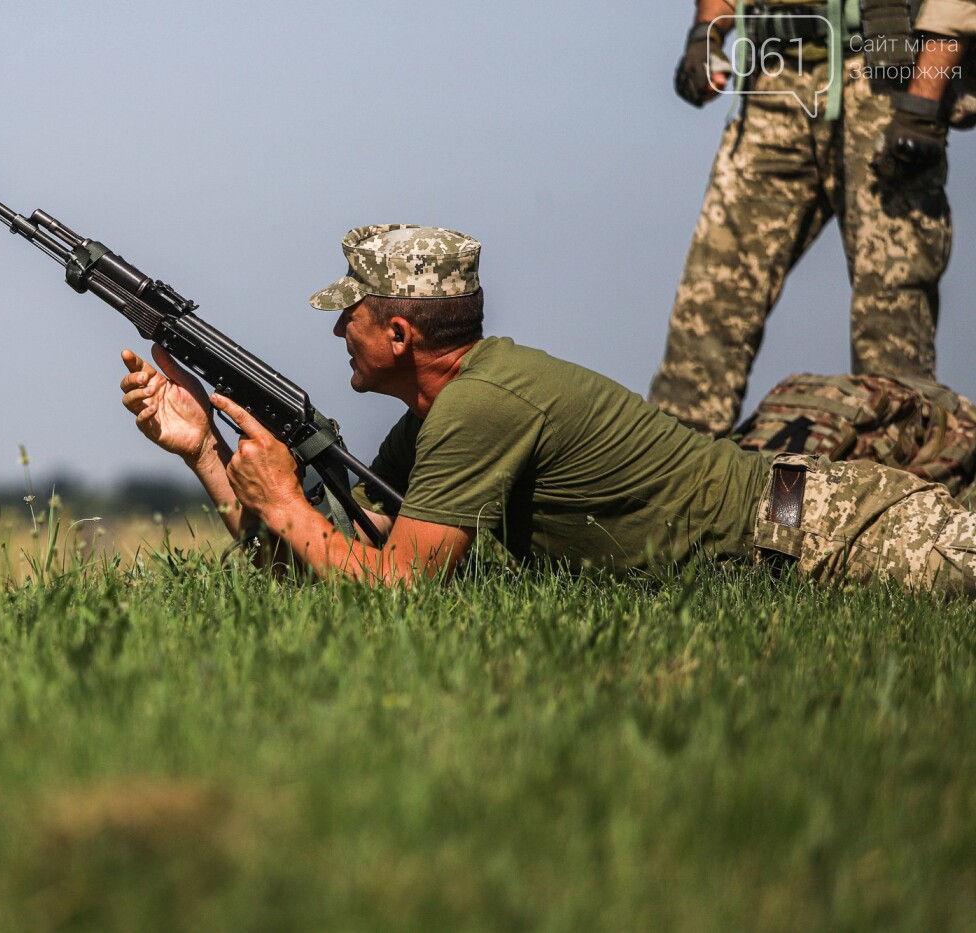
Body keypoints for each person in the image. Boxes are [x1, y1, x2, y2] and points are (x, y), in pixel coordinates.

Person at [119, 225, 976, 595]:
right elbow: (329, 566)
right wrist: (203, 451)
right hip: (787, 541)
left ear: (403, 331)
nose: (340, 325)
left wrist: (289, 503)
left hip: (831, 531)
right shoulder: (434, 419)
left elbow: (397, 592)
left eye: (355, 311)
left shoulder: (480, 408)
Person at [648, 0, 969, 437]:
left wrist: (922, 107)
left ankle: (894, 487)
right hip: (774, 81)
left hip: (882, 80)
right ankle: (669, 480)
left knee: (891, 323)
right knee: (710, 302)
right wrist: (706, 35)